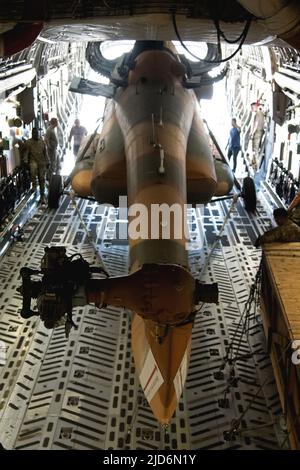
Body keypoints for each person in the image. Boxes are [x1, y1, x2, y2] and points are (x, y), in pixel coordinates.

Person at [24, 128, 49, 204]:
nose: (37, 135)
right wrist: (25, 161)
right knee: (33, 170)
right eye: (35, 134)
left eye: (38, 134)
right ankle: (34, 184)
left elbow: (46, 153)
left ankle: (42, 196)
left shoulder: (42, 142)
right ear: (32, 134)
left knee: (42, 179)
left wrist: (48, 161)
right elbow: (26, 153)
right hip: (33, 161)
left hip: (42, 162)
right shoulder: (28, 142)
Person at [250, 102, 264, 170]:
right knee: (257, 149)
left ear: (255, 106)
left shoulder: (257, 114)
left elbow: (256, 124)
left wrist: (252, 133)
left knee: (255, 149)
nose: (251, 109)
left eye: (252, 107)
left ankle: (256, 166)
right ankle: (255, 164)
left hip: (257, 132)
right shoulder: (261, 113)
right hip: (260, 132)